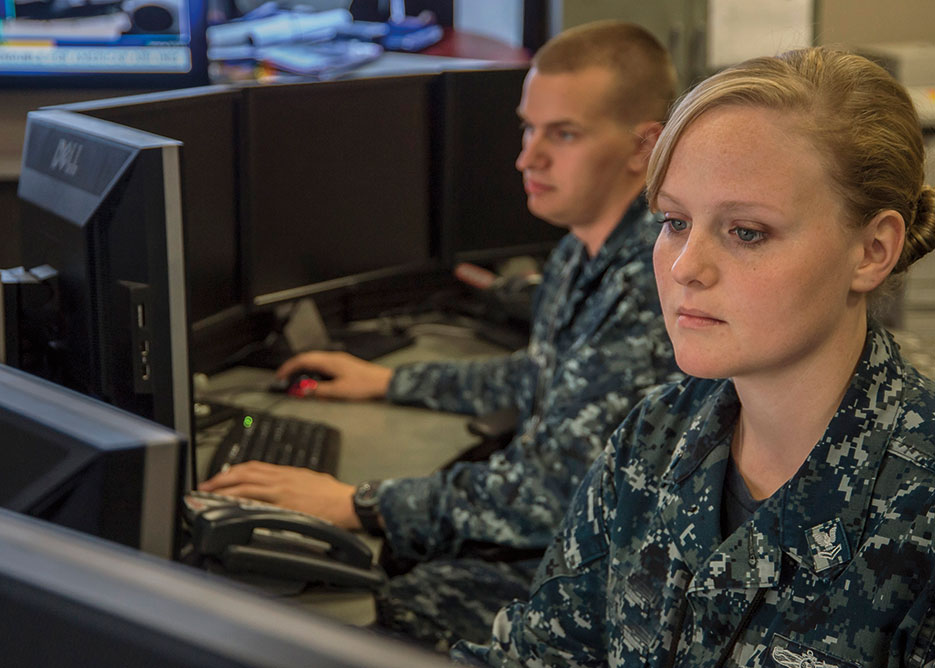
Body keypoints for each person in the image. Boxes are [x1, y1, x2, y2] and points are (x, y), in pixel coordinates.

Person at [200, 20, 681, 650]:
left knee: (355, 612)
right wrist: (390, 380)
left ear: (644, 148)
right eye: (528, 128)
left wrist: (363, 503)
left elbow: (552, 488)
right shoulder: (581, 248)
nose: (527, 157)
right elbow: (539, 373)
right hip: (561, 543)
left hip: (609, 585)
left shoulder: (650, 279)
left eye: (563, 134)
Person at [451, 46, 935, 667]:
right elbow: (536, 655)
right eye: (675, 221)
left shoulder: (918, 516)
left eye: (747, 232)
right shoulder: (652, 440)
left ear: (871, 251)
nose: (685, 267)